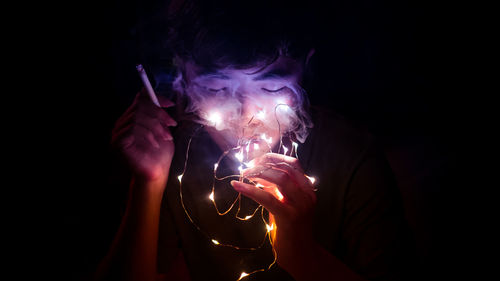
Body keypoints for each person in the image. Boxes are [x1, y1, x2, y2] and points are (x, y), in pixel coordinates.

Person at [94, 0, 416, 280]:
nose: (247, 114)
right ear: (183, 75)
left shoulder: (351, 155)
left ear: (305, 68)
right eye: (216, 88)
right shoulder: (167, 149)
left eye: (271, 87)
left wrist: (302, 254)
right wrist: (147, 183)